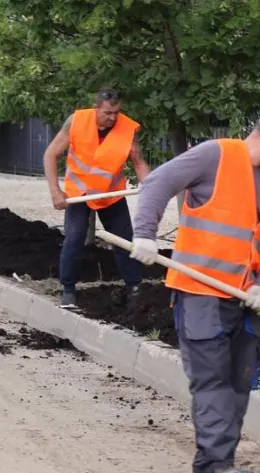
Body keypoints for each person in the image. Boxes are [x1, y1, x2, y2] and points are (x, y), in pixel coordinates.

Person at [128, 105, 260, 473]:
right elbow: (157, 182)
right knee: (211, 382)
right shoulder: (216, 155)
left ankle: (214, 461)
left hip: (244, 300)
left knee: (239, 383)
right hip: (200, 294)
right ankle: (215, 465)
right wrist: (144, 233)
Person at [43, 88, 152, 310]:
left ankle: (135, 289)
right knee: (74, 238)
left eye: (116, 112)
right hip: (79, 193)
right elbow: (51, 154)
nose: (113, 118)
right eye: (108, 113)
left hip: (110, 195)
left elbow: (139, 163)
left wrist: (150, 188)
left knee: (124, 241)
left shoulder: (127, 128)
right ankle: (69, 290)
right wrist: (56, 191)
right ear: (96, 109)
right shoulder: (76, 121)